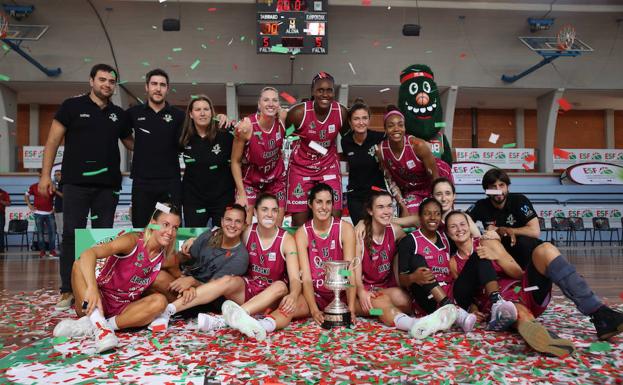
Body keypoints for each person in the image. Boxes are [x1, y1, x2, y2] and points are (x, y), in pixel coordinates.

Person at [467, 168, 623, 341]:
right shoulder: (481, 206)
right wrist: (480, 234)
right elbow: (461, 221)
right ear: (486, 190)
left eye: (501, 185)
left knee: (546, 248)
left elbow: (534, 231)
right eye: (493, 187)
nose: (498, 190)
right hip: (504, 279)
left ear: (507, 187)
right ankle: (536, 332)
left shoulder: (519, 200)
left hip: (530, 271)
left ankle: (600, 315)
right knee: (514, 306)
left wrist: (506, 231)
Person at [38, 63, 133, 309]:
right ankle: (67, 290)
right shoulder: (71, 106)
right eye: (102, 80)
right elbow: (52, 141)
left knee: (104, 239)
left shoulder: (119, 114)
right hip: (75, 184)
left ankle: (99, 286)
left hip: (107, 187)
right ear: (91, 81)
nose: (107, 85)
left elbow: (132, 143)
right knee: (71, 235)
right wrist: (45, 176)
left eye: (111, 82)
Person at [149, 195, 299, 341]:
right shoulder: (248, 231)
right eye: (265, 209)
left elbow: (294, 278)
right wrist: (193, 240)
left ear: (279, 213)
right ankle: (168, 311)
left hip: (270, 294)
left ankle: (223, 320)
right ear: (256, 212)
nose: (269, 214)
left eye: (274, 210)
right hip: (249, 287)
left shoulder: (286, 240)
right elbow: (227, 229)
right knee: (227, 280)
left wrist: (293, 295)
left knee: (280, 285)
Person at [224, 183, 356, 341]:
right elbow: (306, 277)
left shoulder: (346, 229)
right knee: (288, 308)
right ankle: (262, 327)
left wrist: (352, 307)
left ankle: (389, 316)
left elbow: (349, 271)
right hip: (313, 295)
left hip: (341, 293)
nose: (324, 207)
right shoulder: (302, 233)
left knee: (376, 307)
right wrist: (313, 310)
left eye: (328, 202)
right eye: (319, 202)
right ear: (310, 204)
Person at [52, 202, 181, 353]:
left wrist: (189, 282)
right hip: (97, 300)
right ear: (153, 224)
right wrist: (92, 289)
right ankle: (98, 324)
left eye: (175, 227)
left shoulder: (167, 257)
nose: (170, 232)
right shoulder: (132, 241)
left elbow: (179, 280)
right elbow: (89, 253)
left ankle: (99, 326)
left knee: (160, 302)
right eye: (165, 224)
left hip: (125, 308)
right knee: (78, 264)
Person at [445, 209, 574, 357]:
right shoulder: (453, 263)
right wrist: (472, 309)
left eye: (462, 224)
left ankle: (540, 336)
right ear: (448, 233)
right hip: (492, 300)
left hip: (516, 289)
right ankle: (541, 337)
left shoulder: (487, 242)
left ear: (469, 226)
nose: (459, 229)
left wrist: (496, 257)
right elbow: (466, 294)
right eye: (453, 226)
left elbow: (518, 273)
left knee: (543, 254)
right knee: (518, 312)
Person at [352, 189, 455, 338]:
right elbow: (351, 271)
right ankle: (412, 325)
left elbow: (415, 223)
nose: (387, 211)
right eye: (380, 207)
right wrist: (361, 291)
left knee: (406, 302)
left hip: (384, 289)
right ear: (370, 210)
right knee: (381, 305)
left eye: (389, 206)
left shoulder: (395, 230)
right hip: (362, 295)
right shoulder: (359, 236)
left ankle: (383, 313)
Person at [148, 204, 249, 306]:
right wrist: (182, 253)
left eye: (238, 221)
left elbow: (213, 289)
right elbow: (187, 258)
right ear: (222, 221)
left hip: (203, 298)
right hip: (184, 280)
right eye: (228, 219)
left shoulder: (240, 257)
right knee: (157, 267)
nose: (232, 225)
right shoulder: (212, 234)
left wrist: (192, 282)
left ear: (244, 225)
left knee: (157, 277)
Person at [285, 72, 347, 226]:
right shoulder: (298, 113)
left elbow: (348, 139)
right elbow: (288, 135)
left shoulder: (341, 113)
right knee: (299, 222)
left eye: (329, 90)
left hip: (328, 166)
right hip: (301, 167)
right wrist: (306, 142)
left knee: (334, 219)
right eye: (320, 90)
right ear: (313, 92)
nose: (325, 94)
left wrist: (344, 156)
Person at [127, 69, 185, 228]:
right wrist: (138, 147)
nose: (158, 88)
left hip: (169, 184)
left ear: (167, 88)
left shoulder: (179, 115)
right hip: (142, 183)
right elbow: (124, 135)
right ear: (146, 87)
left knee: (166, 226)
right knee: (142, 226)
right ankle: (142, 254)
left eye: (162, 85)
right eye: (154, 84)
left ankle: (166, 254)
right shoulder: (133, 113)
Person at [377, 106, 452, 216]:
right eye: (391, 126)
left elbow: (435, 178)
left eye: (400, 125)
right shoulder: (381, 151)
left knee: (439, 216)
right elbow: (390, 181)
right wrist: (402, 206)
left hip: (437, 181)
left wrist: (437, 201)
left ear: (405, 127)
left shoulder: (417, 145)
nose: (396, 129)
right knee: (410, 219)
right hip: (413, 189)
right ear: (385, 129)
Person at [231, 87, 287, 225]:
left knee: (277, 223)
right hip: (251, 180)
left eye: (274, 100)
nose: (270, 103)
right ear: (259, 104)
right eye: (266, 100)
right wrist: (241, 193)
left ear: (278, 105)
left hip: (275, 179)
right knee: (244, 222)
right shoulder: (246, 127)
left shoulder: (283, 120)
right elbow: (235, 161)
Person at [180, 95, 235, 228]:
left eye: (206, 109)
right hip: (194, 199)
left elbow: (240, 158)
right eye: (198, 109)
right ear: (191, 114)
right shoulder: (184, 136)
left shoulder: (225, 134)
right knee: (194, 240)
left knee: (222, 240)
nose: (203, 113)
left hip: (222, 198)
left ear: (212, 112)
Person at [340, 99, 385, 224]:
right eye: (356, 119)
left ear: (369, 120)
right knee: (361, 231)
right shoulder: (345, 141)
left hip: (377, 195)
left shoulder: (380, 137)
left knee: (377, 229)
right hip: (355, 197)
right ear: (350, 122)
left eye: (364, 118)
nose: (361, 122)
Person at [25, 176, 57, 257]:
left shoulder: (51, 186)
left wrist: (55, 207)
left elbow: (57, 197)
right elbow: (26, 194)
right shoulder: (34, 186)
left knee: (52, 232)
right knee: (40, 232)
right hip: (38, 213)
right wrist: (29, 204)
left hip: (50, 213)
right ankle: (42, 250)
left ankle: (52, 250)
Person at [53, 169, 64, 247]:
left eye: (58, 174)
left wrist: (55, 191)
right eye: (55, 175)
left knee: (62, 229)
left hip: (63, 210)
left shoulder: (63, 185)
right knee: (59, 230)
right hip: (57, 210)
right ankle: (61, 246)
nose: (56, 176)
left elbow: (65, 196)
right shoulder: (57, 185)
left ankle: (63, 246)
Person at [0, 187, 10, 252]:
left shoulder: (4, 193)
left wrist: (0, 201)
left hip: (0, 214)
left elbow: (8, 203)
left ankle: (1, 248)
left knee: (1, 231)